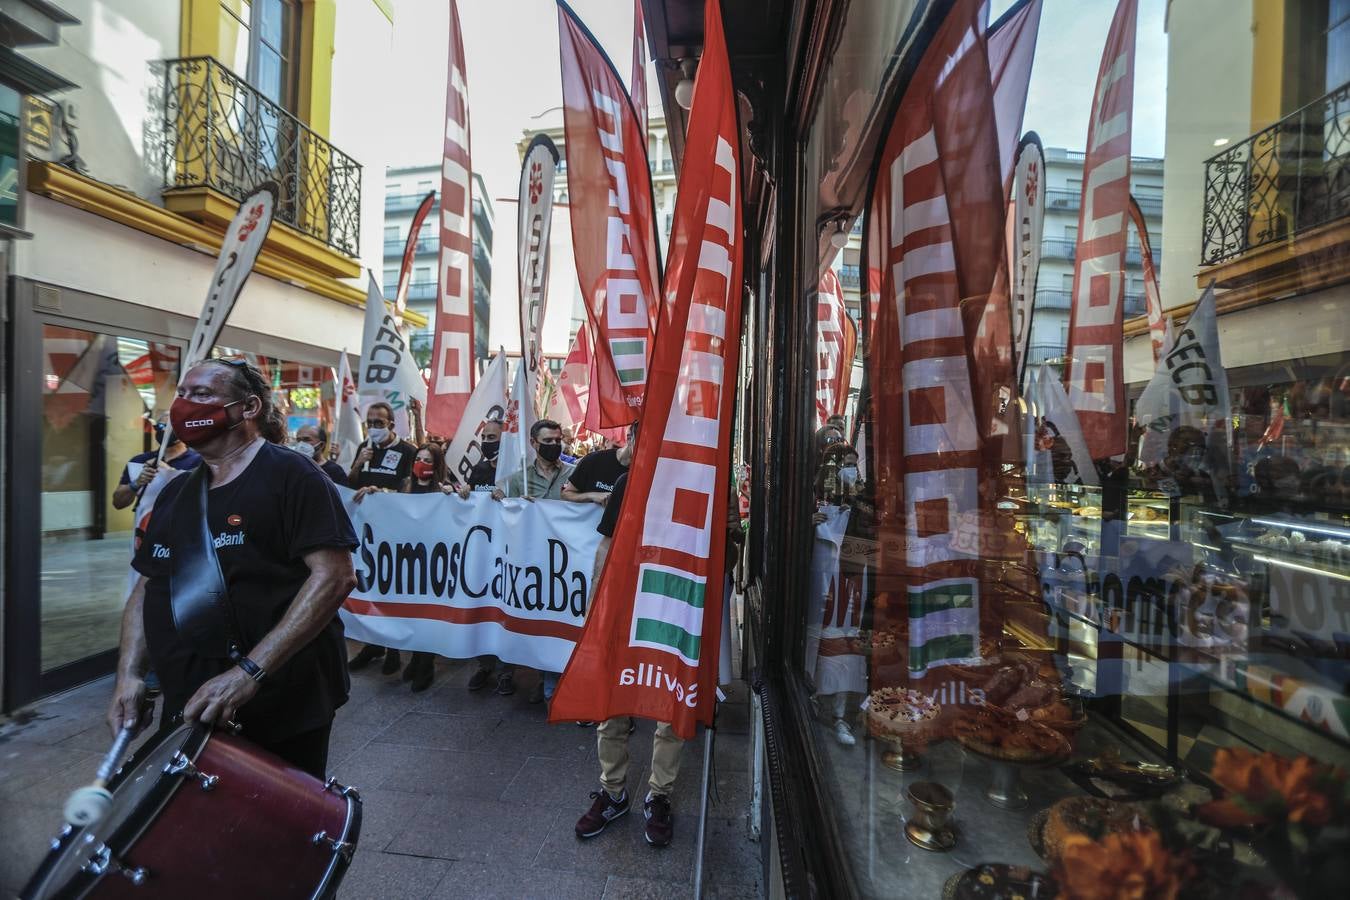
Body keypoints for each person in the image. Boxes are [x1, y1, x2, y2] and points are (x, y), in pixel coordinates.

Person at [107, 358, 357, 778]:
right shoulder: (175, 492)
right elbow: (150, 585)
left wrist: (249, 672)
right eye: (183, 394)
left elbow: (334, 577)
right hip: (191, 701)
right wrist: (129, 674)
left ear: (248, 408)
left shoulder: (293, 475)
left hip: (280, 700)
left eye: (203, 394)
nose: (185, 405)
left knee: (278, 830)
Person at [573, 469, 683, 847]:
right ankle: (613, 792)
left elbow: (725, 560)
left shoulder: (702, 479)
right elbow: (606, 544)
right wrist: (596, 612)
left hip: (674, 608)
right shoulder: (627, 481)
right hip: (626, 609)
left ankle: (659, 796)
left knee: (670, 707)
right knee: (611, 703)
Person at [483, 419, 574, 698]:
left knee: (556, 620)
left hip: (562, 562)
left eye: (558, 441)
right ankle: (520, 673)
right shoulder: (516, 479)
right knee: (527, 618)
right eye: (547, 442)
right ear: (534, 444)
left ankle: (551, 685)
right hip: (527, 564)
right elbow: (496, 509)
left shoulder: (574, 474)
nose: (554, 446)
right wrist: (500, 498)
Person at [346, 401, 419, 675]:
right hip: (366, 534)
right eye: (370, 423)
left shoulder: (407, 451)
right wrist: (359, 463)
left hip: (396, 534)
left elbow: (410, 491)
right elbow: (350, 484)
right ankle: (373, 643)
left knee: (392, 588)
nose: (374, 428)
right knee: (370, 586)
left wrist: (384, 494)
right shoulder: (365, 449)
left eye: (379, 423)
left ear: (391, 425)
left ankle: (394, 649)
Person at [457, 415, 511, 693]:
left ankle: (506, 670)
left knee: (503, 608)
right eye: (485, 438)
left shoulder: (516, 470)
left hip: (508, 551)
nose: (487, 442)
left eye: (493, 438)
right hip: (481, 550)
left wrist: (510, 497)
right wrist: (464, 493)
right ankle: (485, 664)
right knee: (482, 605)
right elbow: (470, 505)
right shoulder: (478, 470)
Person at [399, 442, 457, 693]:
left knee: (428, 614)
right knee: (413, 612)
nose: (421, 464)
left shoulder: (443, 491)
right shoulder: (405, 486)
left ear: (437, 466)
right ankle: (415, 656)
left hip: (434, 560)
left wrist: (456, 495)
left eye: (428, 460)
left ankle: (426, 664)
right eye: (418, 458)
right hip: (410, 559)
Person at [112, 414, 202, 510]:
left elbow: (202, 499)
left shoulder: (199, 462)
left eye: (170, 427)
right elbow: (118, 503)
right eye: (160, 426)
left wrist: (170, 472)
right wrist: (136, 483)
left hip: (180, 523)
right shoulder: (139, 461)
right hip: (145, 523)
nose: (163, 430)